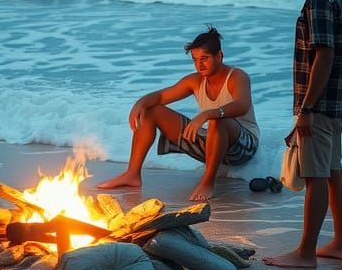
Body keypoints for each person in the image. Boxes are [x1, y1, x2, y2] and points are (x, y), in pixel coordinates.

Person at [263, 0, 342, 268]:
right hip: (337, 103)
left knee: (317, 176)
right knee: (332, 171)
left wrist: (306, 109)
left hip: (320, 105)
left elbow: (325, 56)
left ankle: (305, 253)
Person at [97, 27, 260, 202]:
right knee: (151, 110)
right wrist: (140, 103)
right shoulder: (195, 80)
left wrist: (208, 114)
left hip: (243, 145)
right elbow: (160, 96)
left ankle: (207, 182)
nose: (199, 65)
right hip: (213, 140)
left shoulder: (237, 77)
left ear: (219, 56)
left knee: (216, 120)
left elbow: (242, 105)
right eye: (195, 60)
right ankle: (132, 174)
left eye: (204, 59)